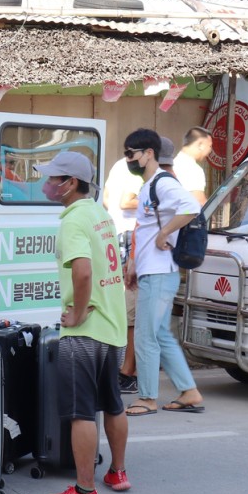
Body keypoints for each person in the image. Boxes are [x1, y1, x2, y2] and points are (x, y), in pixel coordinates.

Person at [34, 151, 130, 494]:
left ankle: (85, 492)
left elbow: (84, 272)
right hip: (112, 327)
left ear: (69, 184)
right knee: (114, 404)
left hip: (86, 330)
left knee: (81, 412)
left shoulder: (73, 220)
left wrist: (75, 312)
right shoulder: (99, 213)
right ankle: (118, 473)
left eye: (51, 178)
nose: (46, 184)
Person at [123, 128, 205, 417]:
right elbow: (145, 230)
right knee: (160, 334)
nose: (128, 159)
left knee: (146, 335)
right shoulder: (148, 187)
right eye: (126, 154)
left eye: (131, 153)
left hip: (160, 272)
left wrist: (166, 233)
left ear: (148, 154)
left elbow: (191, 207)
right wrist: (134, 264)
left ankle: (147, 397)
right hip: (152, 271)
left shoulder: (162, 184)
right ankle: (189, 391)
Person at [101, 155, 142, 395]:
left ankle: (128, 370)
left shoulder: (117, 165)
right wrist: (152, 203)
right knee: (132, 313)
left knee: (127, 309)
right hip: (130, 237)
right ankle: (128, 372)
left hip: (117, 235)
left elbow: (108, 199)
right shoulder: (140, 172)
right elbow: (127, 201)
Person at [173, 127, 212, 204]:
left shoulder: (173, 163)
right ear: (201, 145)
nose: (210, 150)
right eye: (210, 146)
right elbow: (199, 202)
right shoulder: (193, 169)